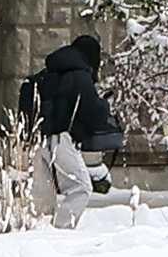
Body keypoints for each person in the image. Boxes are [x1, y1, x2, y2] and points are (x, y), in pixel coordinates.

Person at [12, 33, 116, 226]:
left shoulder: (45, 75)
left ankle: (38, 234)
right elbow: (92, 112)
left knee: (42, 201)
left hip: (35, 142)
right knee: (81, 188)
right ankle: (61, 232)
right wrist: (104, 107)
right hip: (61, 140)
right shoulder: (79, 76)